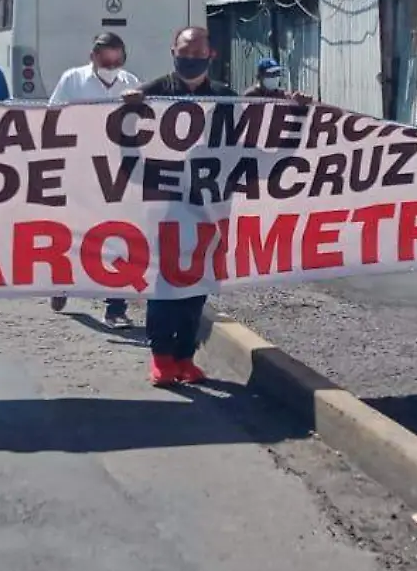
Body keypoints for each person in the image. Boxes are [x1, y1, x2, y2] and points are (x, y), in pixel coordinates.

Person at [124, 26, 237, 386]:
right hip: (164, 206)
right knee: (164, 282)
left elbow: (247, 146)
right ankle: (161, 356)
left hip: (208, 205)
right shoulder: (147, 95)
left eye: (197, 53)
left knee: (199, 282)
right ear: (173, 51)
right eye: (184, 53)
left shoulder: (226, 98)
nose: (190, 59)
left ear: (211, 55)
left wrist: (295, 112)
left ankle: (186, 356)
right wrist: (125, 111)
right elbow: (120, 145)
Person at [46, 32, 140, 324]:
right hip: (79, 169)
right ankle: (62, 282)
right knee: (75, 230)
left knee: (118, 234)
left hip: (116, 171)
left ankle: (116, 304)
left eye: (116, 57)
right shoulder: (72, 80)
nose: (111, 63)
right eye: (105, 57)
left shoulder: (132, 84)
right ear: (93, 57)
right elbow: (52, 118)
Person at [244, 57, 313, 103]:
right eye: (271, 74)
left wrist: (299, 100)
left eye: (277, 74)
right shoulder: (251, 95)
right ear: (259, 77)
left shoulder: (281, 95)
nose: (275, 77)